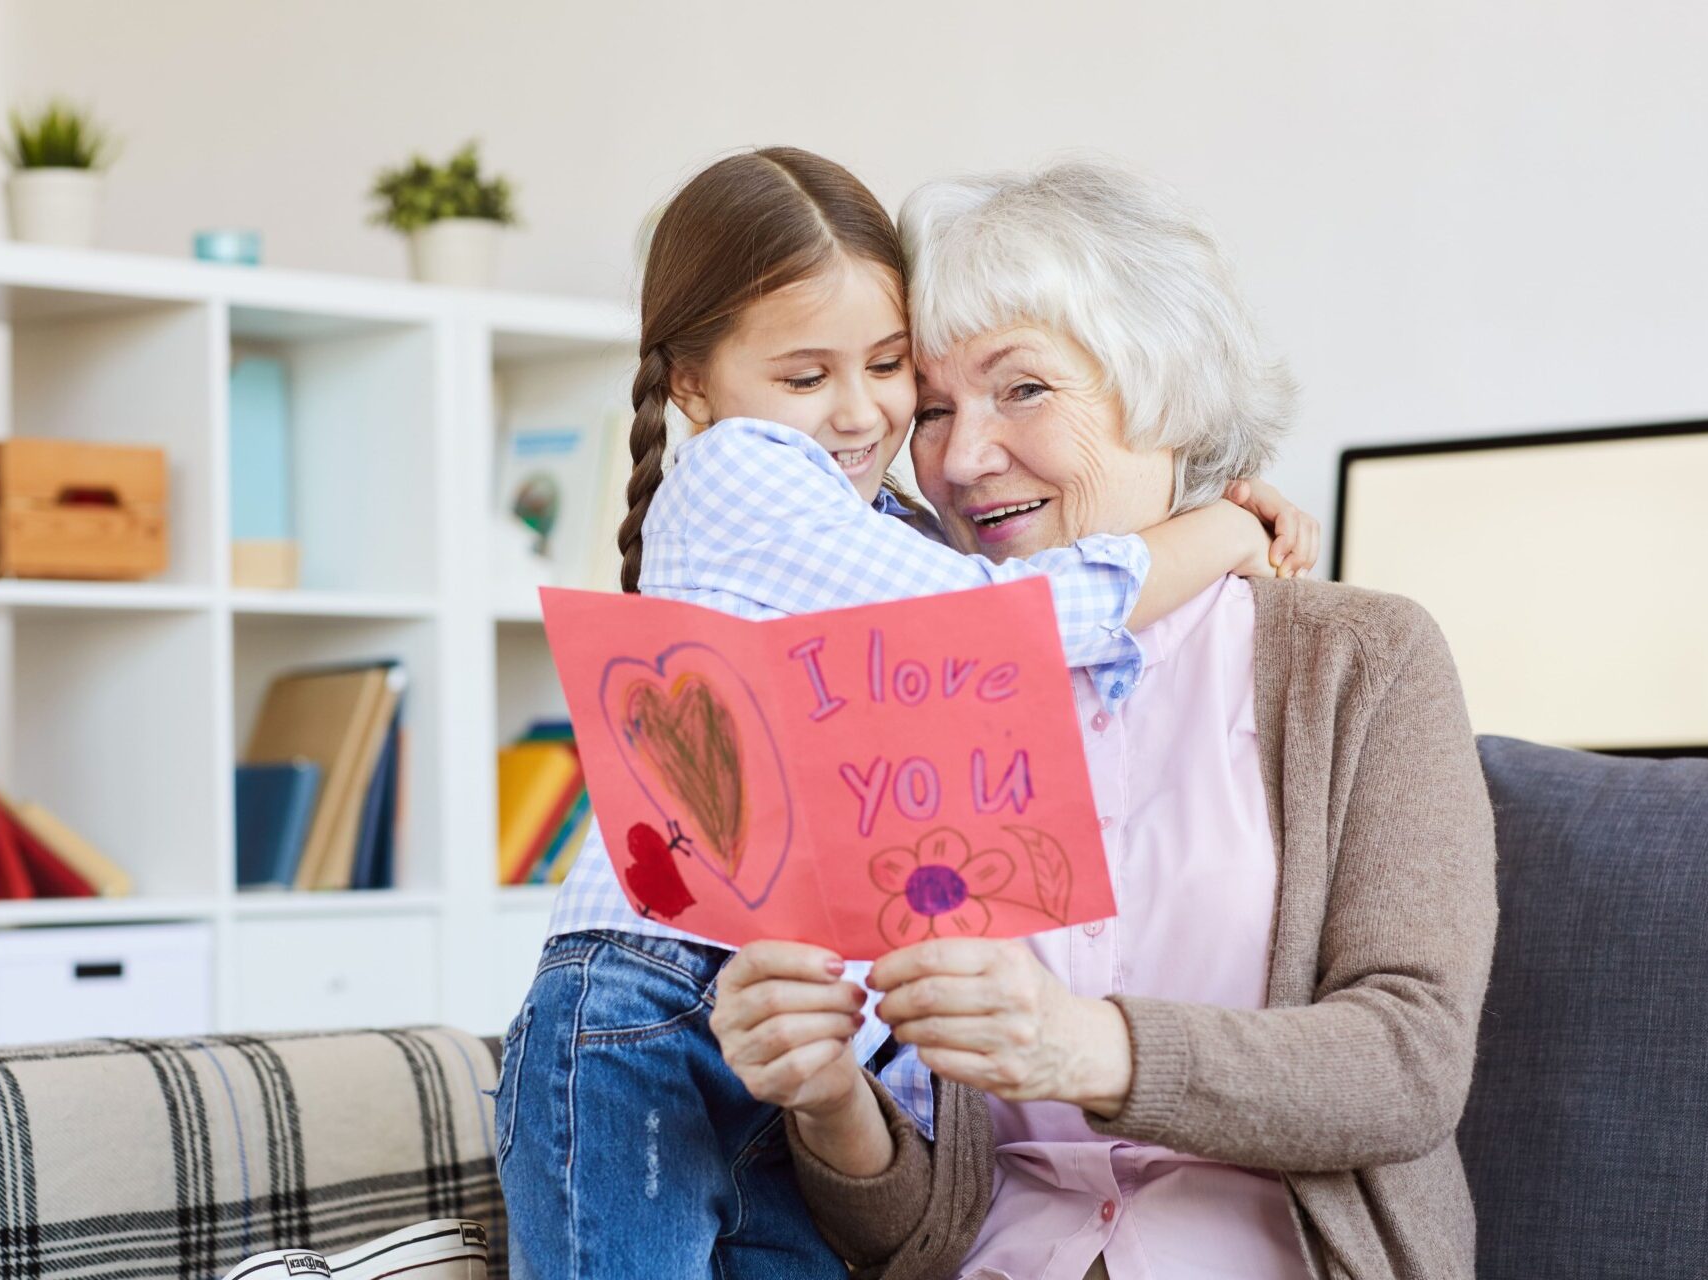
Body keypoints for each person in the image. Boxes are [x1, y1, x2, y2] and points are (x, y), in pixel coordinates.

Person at [496, 147, 1319, 1279]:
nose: (860, 411)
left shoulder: (874, 522)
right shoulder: (741, 472)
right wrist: (1220, 529)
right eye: (804, 376)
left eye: (890, 369)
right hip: (652, 1001)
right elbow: (1003, 622)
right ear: (692, 384)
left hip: (791, 1025)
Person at [711, 160, 1498, 1279]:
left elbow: (1408, 1063)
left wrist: (1085, 1043)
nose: (964, 456)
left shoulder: (1355, 659)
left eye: (1021, 389)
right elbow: (907, 1231)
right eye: (930, 409)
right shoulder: (908, 693)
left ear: (1164, 382)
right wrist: (829, 1092)